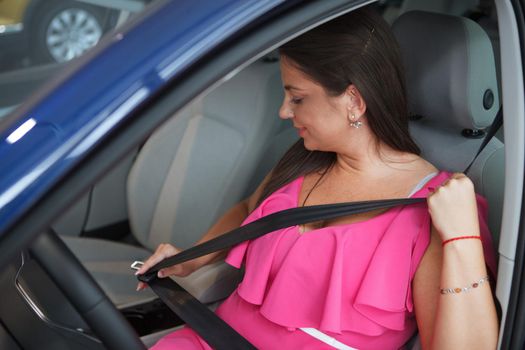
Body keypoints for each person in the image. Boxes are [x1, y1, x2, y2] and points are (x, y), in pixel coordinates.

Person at [135, 6, 499, 349]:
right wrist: (192, 259)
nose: (282, 111)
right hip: (208, 338)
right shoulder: (301, 161)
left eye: (297, 98)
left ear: (353, 101)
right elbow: (249, 209)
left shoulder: (435, 207)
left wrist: (462, 236)